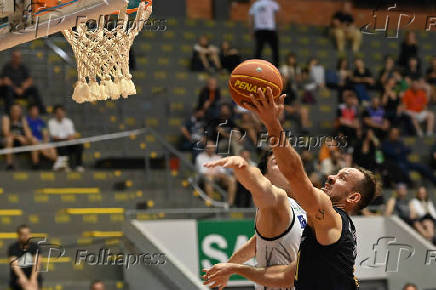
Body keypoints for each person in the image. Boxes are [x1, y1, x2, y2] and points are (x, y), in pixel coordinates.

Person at [203, 88, 377, 289]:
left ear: (353, 197)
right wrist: (235, 269)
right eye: (336, 173)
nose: (330, 177)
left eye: (341, 178)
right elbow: (287, 276)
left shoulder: (329, 215)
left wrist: (271, 122)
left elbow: (294, 172)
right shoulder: (326, 227)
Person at [203, 151, 306, 289]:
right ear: (266, 176)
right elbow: (259, 185)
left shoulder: (297, 205)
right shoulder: (277, 198)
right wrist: (243, 168)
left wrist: (228, 267)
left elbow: (255, 244)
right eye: (276, 162)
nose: (285, 166)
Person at [195, 140, 237, 205]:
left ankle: (230, 203)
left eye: (213, 147)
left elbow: (222, 172)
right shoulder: (200, 157)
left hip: (217, 177)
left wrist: (216, 174)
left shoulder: (218, 157)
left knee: (232, 180)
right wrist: (215, 173)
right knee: (209, 178)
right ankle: (210, 202)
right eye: (210, 147)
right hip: (203, 178)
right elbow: (203, 172)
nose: (212, 148)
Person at [48, 105, 84, 172]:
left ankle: (79, 165)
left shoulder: (68, 121)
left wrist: (69, 137)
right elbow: (54, 136)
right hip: (57, 143)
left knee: (79, 145)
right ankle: (65, 166)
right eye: (58, 113)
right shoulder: (51, 122)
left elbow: (73, 134)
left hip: (68, 142)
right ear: (55, 113)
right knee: (62, 145)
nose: (60, 114)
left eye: (62, 112)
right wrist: (66, 138)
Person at [8, 225, 43, 290]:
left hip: (34, 275)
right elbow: (15, 266)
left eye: (28, 234)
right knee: (26, 285)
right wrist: (22, 278)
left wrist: (33, 279)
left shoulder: (35, 246)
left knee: (32, 287)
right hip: (18, 277)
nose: (26, 236)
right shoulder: (13, 247)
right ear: (18, 235)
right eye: (23, 234)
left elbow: (37, 264)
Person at [2, 104, 35, 170]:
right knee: (9, 140)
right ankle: (9, 165)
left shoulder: (23, 120)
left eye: (18, 111)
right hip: (8, 140)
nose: (16, 112)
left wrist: (28, 138)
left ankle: (35, 164)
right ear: (11, 111)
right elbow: (6, 133)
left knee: (34, 140)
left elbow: (28, 132)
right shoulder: (6, 118)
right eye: (14, 111)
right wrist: (18, 137)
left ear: (20, 112)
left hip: (21, 141)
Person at [26, 104, 58, 170]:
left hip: (41, 143)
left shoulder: (41, 121)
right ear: (30, 111)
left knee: (52, 148)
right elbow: (28, 135)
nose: (36, 111)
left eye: (37, 110)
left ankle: (56, 164)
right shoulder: (26, 120)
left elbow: (45, 133)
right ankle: (35, 165)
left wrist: (45, 143)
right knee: (34, 146)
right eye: (34, 110)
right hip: (32, 142)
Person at [249, 0, 280, 67]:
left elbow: (251, 17)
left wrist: (251, 30)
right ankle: (257, 66)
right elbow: (251, 17)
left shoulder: (256, 4)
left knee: (261, 50)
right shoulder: (257, 4)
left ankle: (257, 66)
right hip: (266, 29)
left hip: (265, 30)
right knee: (260, 50)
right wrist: (251, 30)